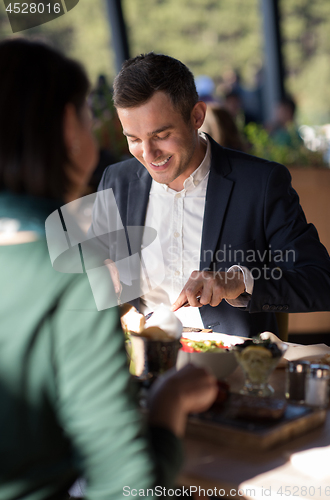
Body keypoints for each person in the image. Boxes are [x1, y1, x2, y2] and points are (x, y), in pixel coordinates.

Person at [0, 39, 218, 500]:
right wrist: (170, 402)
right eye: (85, 113)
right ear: (65, 126)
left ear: (195, 119)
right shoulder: (67, 272)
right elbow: (127, 487)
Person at [89, 52, 330, 339]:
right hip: (139, 362)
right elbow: (94, 272)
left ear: (197, 116)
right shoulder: (116, 181)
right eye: (133, 139)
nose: (148, 153)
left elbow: (321, 282)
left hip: (229, 368)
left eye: (161, 135)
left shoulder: (261, 183)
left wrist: (242, 280)